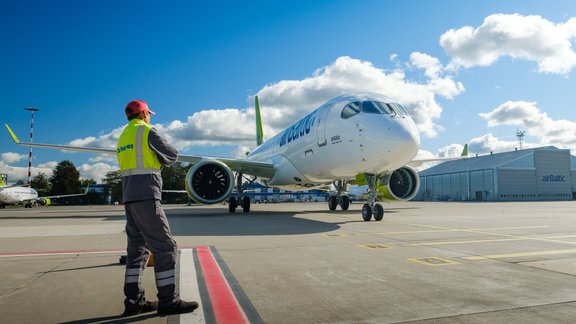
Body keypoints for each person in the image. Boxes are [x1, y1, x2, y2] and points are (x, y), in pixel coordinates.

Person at [117, 99, 198, 317]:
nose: (149, 116)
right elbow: (172, 155)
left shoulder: (123, 136)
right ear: (143, 113)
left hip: (129, 197)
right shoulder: (147, 131)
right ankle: (168, 302)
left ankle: (133, 302)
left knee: (136, 251)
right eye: (148, 113)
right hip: (146, 196)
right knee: (166, 247)